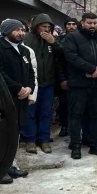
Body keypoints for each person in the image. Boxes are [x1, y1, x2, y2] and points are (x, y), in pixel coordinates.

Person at [0, 19, 36, 184]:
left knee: (16, 133)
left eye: (22, 30)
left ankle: (11, 165)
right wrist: (17, 88)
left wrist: (29, 88)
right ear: (6, 31)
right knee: (2, 134)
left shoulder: (24, 50)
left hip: (21, 99)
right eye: (17, 30)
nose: (21, 33)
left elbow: (31, 73)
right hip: (4, 99)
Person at [61, 12, 97, 160]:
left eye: (94, 23)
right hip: (78, 84)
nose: (92, 26)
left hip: (96, 84)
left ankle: (94, 144)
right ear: (82, 23)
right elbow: (71, 57)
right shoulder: (72, 37)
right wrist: (90, 69)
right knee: (76, 115)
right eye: (89, 23)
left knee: (95, 115)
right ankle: (76, 146)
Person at [22, 14, 65, 154]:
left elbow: (63, 55)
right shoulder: (27, 38)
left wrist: (54, 42)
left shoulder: (52, 40)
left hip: (48, 83)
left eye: (49, 27)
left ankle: (44, 140)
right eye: (43, 26)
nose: (46, 29)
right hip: (31, 83)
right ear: (36, 26)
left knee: (46, 113)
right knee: (30, 113)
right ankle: (30, 140)